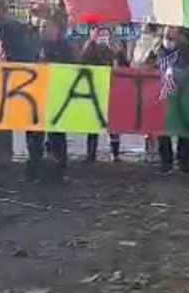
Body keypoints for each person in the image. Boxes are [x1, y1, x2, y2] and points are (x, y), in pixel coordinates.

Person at [147, 27, 189, 174]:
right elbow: (147, 65)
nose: (168, 39)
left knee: (184, 130)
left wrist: (187, 71)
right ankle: (166, 161)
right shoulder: (157, 49)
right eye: (166, 36)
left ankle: (184, 161)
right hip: (163, 94)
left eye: (172, 37)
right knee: (162, 129)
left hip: (184, 95)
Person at [26, 19, 72, 181]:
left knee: (57, 135)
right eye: (41, 27)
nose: (43, 30)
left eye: (46, 27)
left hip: (57, 96)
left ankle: (59, 169)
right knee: (34, 136)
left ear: (56, 29)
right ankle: (34, 168)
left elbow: (73, 68)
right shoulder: (33, 44)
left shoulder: (65, 47)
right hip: (35, 96)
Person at [81, 29, 128, 162]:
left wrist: (117, 52)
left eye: (105, 36)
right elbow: (82, 63)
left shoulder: (115, 50)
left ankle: (115, 153)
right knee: (93, 124)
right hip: (95, 90)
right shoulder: (90, 49)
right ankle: (91, 153)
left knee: (114, 125)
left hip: (113, 91)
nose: (103, 39)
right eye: (100, 36)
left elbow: (126, 67)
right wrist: (90, 44)